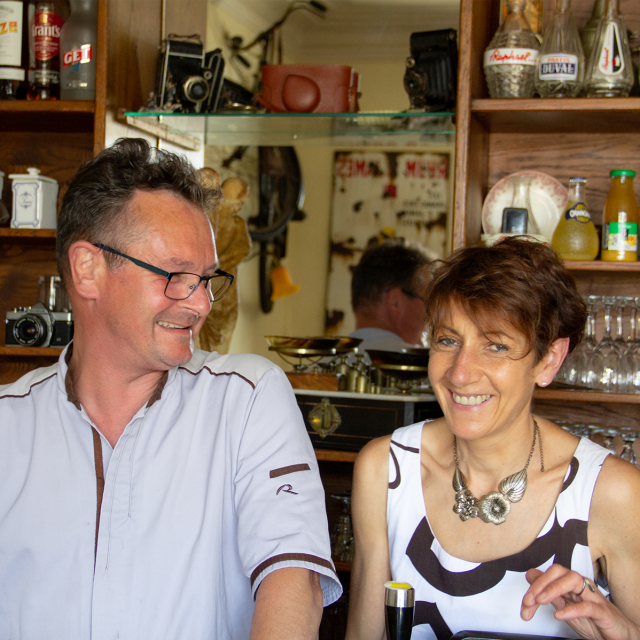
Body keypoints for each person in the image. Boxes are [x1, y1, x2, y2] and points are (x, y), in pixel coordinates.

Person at [0, 138, 341, 640]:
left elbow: (293, 580)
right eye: (177, 276)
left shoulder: (245, 398)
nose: (201, 304)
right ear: (88, 268)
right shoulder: (9, 423)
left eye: (206, 279)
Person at [346, 237, 640, 640]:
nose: (461, 373)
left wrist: (620, 633)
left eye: (496, 346)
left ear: (548, 360)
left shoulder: (612, 493)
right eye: (448, 341)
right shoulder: (385, 469)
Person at [350, 240, 432, 353]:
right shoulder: (422, 365)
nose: (431, 318)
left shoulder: (322, 362)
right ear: (395, 302)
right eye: (428, 305)